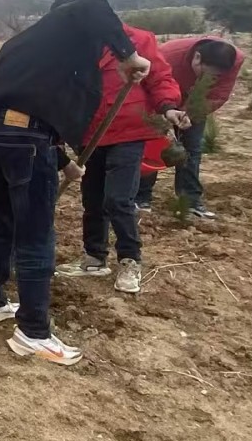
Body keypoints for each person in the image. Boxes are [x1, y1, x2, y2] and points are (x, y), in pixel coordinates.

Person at [0, 0, 151, 366]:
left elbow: (25, 107)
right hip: (23, 140)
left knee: (1, 224)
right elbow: (90, 4)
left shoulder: (25, 44)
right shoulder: (76, 18)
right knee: (35, 236)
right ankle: (33, 332)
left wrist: (63, 160)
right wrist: (128, 55)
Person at [56, 24, 187, 293]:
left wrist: (168, 107)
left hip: (129, 129)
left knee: (118, 199)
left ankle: (130, 260)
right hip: (89, 132)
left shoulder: (138, 40)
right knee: (92, 198)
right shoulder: (68, 41)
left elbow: (159, 78)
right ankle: (94, 258)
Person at [135, 37, 244, 219]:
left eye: (213, 77)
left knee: (191, 150)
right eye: (203, 73)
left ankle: (190, 201)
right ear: (197, 57)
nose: (205, 79)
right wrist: (165, 110)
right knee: (152, 149)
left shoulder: (233, 61)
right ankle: (141, 197)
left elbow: (218, 94)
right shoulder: (168, 55)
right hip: (158, 101)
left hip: (194, 104)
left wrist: (190, 114)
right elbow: (149, 85)